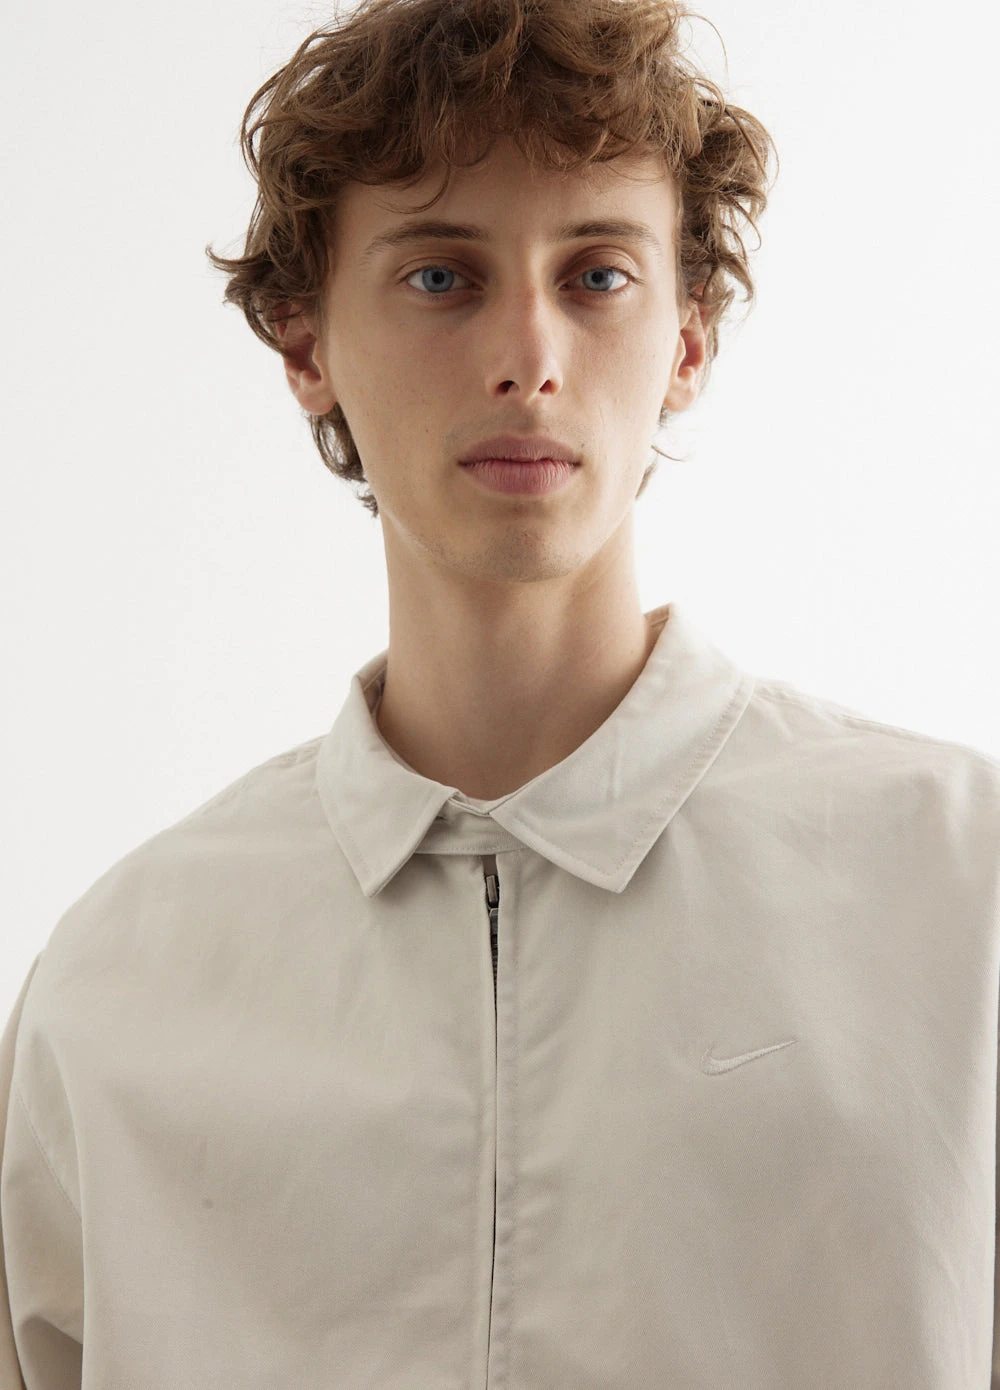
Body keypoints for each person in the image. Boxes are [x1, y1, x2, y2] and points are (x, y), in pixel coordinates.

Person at [3, 0, 999, 1384]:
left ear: (690, 337)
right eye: (441, 276)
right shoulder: (117, 989)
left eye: (597, 275)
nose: (529, 353)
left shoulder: (962, 893)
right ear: (303, 341)